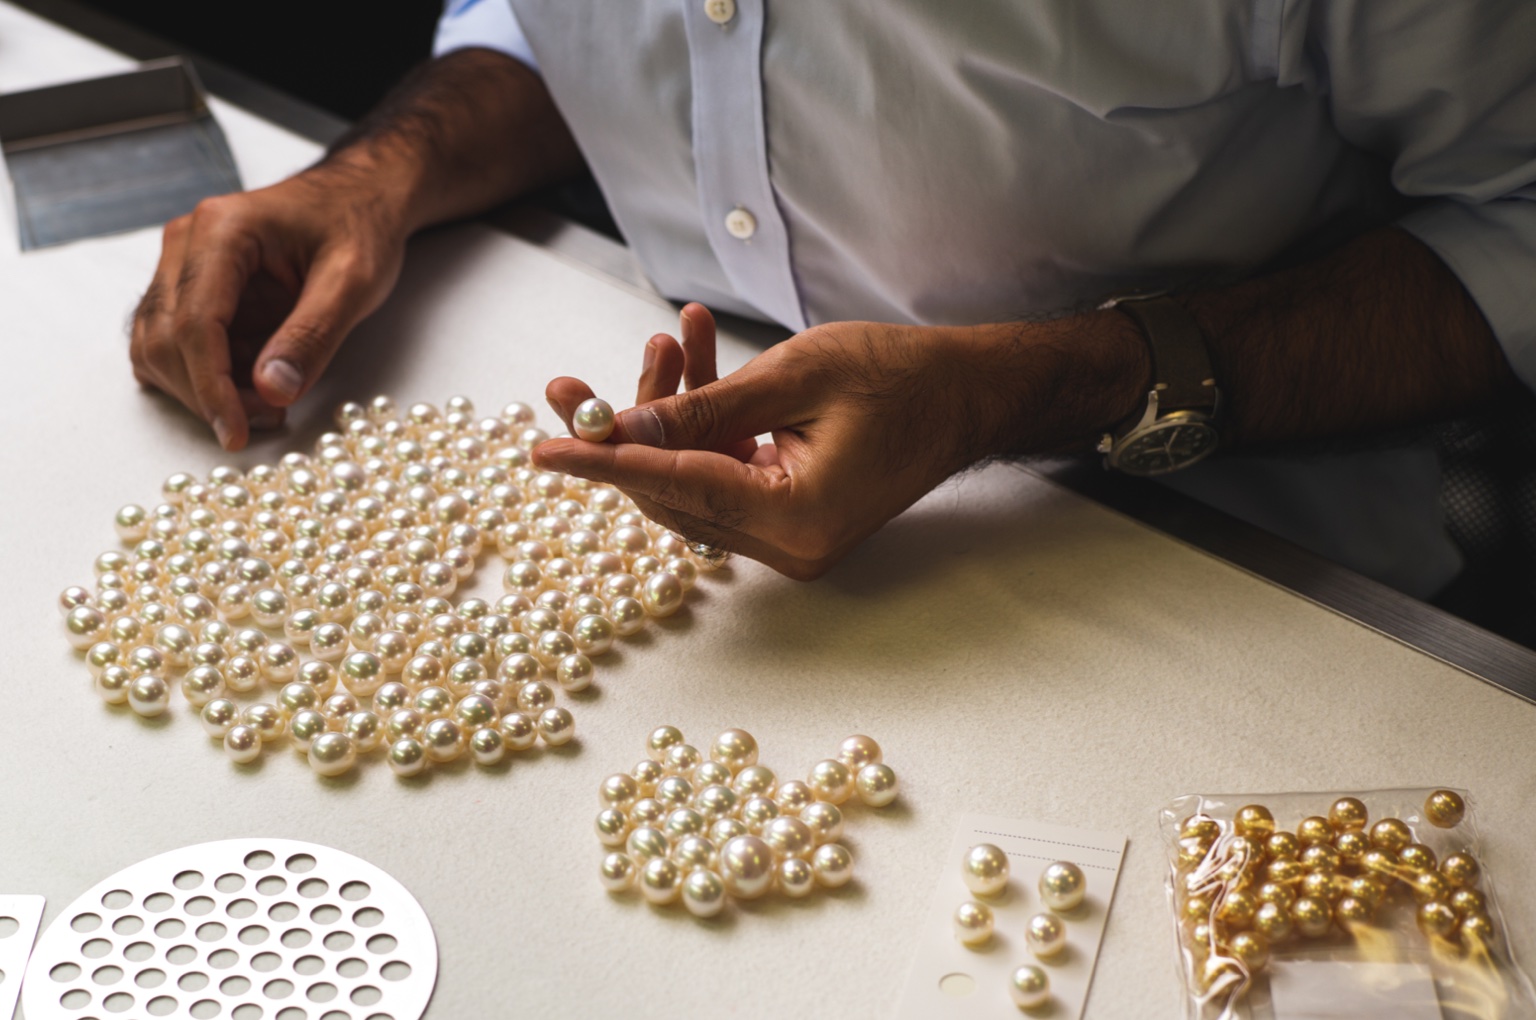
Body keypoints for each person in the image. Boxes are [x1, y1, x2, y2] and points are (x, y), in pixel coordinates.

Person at [130, 0, 1536, 585]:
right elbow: (570, 25)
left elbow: (1518, 214)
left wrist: (1018, 388)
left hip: (1212, 570)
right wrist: (383, 173)